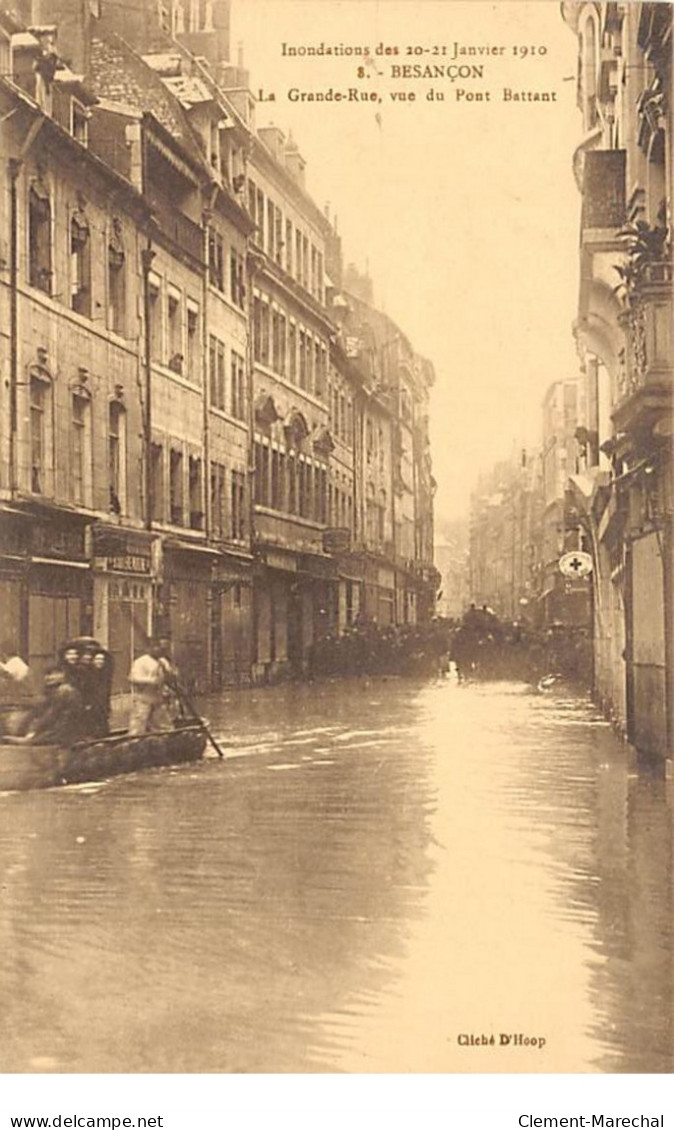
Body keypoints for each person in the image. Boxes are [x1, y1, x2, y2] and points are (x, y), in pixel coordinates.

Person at [13, 667, 86, 746]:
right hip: (67, 728)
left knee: (32, 741)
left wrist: (35, 730)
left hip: (63, 729)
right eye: (48, 674)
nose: (49, 677)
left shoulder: (63, 691)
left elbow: (52, 714)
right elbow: (41, 711)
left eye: (54, 674)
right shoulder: (61, 691)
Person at [128, 639, 167, 735]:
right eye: (156, 647)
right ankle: (135, 743)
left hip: (158, 698)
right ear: (149, 648)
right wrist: (150, 681)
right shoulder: (141, 661)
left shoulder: (163, 661)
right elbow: (133, 678)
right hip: (143, 698)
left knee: (163, 724)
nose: (159, 650)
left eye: (161, 648)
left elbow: (168, 676)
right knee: (138, 724)